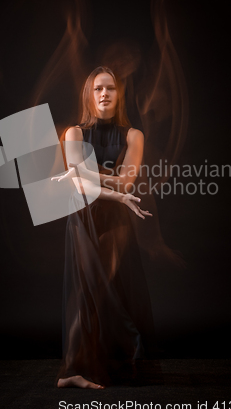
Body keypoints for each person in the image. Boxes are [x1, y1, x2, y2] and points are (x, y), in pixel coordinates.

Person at [51, 66, 156, 389]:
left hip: (116, 221)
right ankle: (73, 371)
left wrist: (86, 173)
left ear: (118, 94)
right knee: (88, 289)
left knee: (108, 292)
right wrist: (105, 183)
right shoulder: (74, 133)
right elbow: (83, 187)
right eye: (98, 89)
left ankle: (100, 365)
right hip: (83, 217)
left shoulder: (133, 135)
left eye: (110, 88)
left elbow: (126, 183)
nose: (104, 94)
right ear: (89, 94)